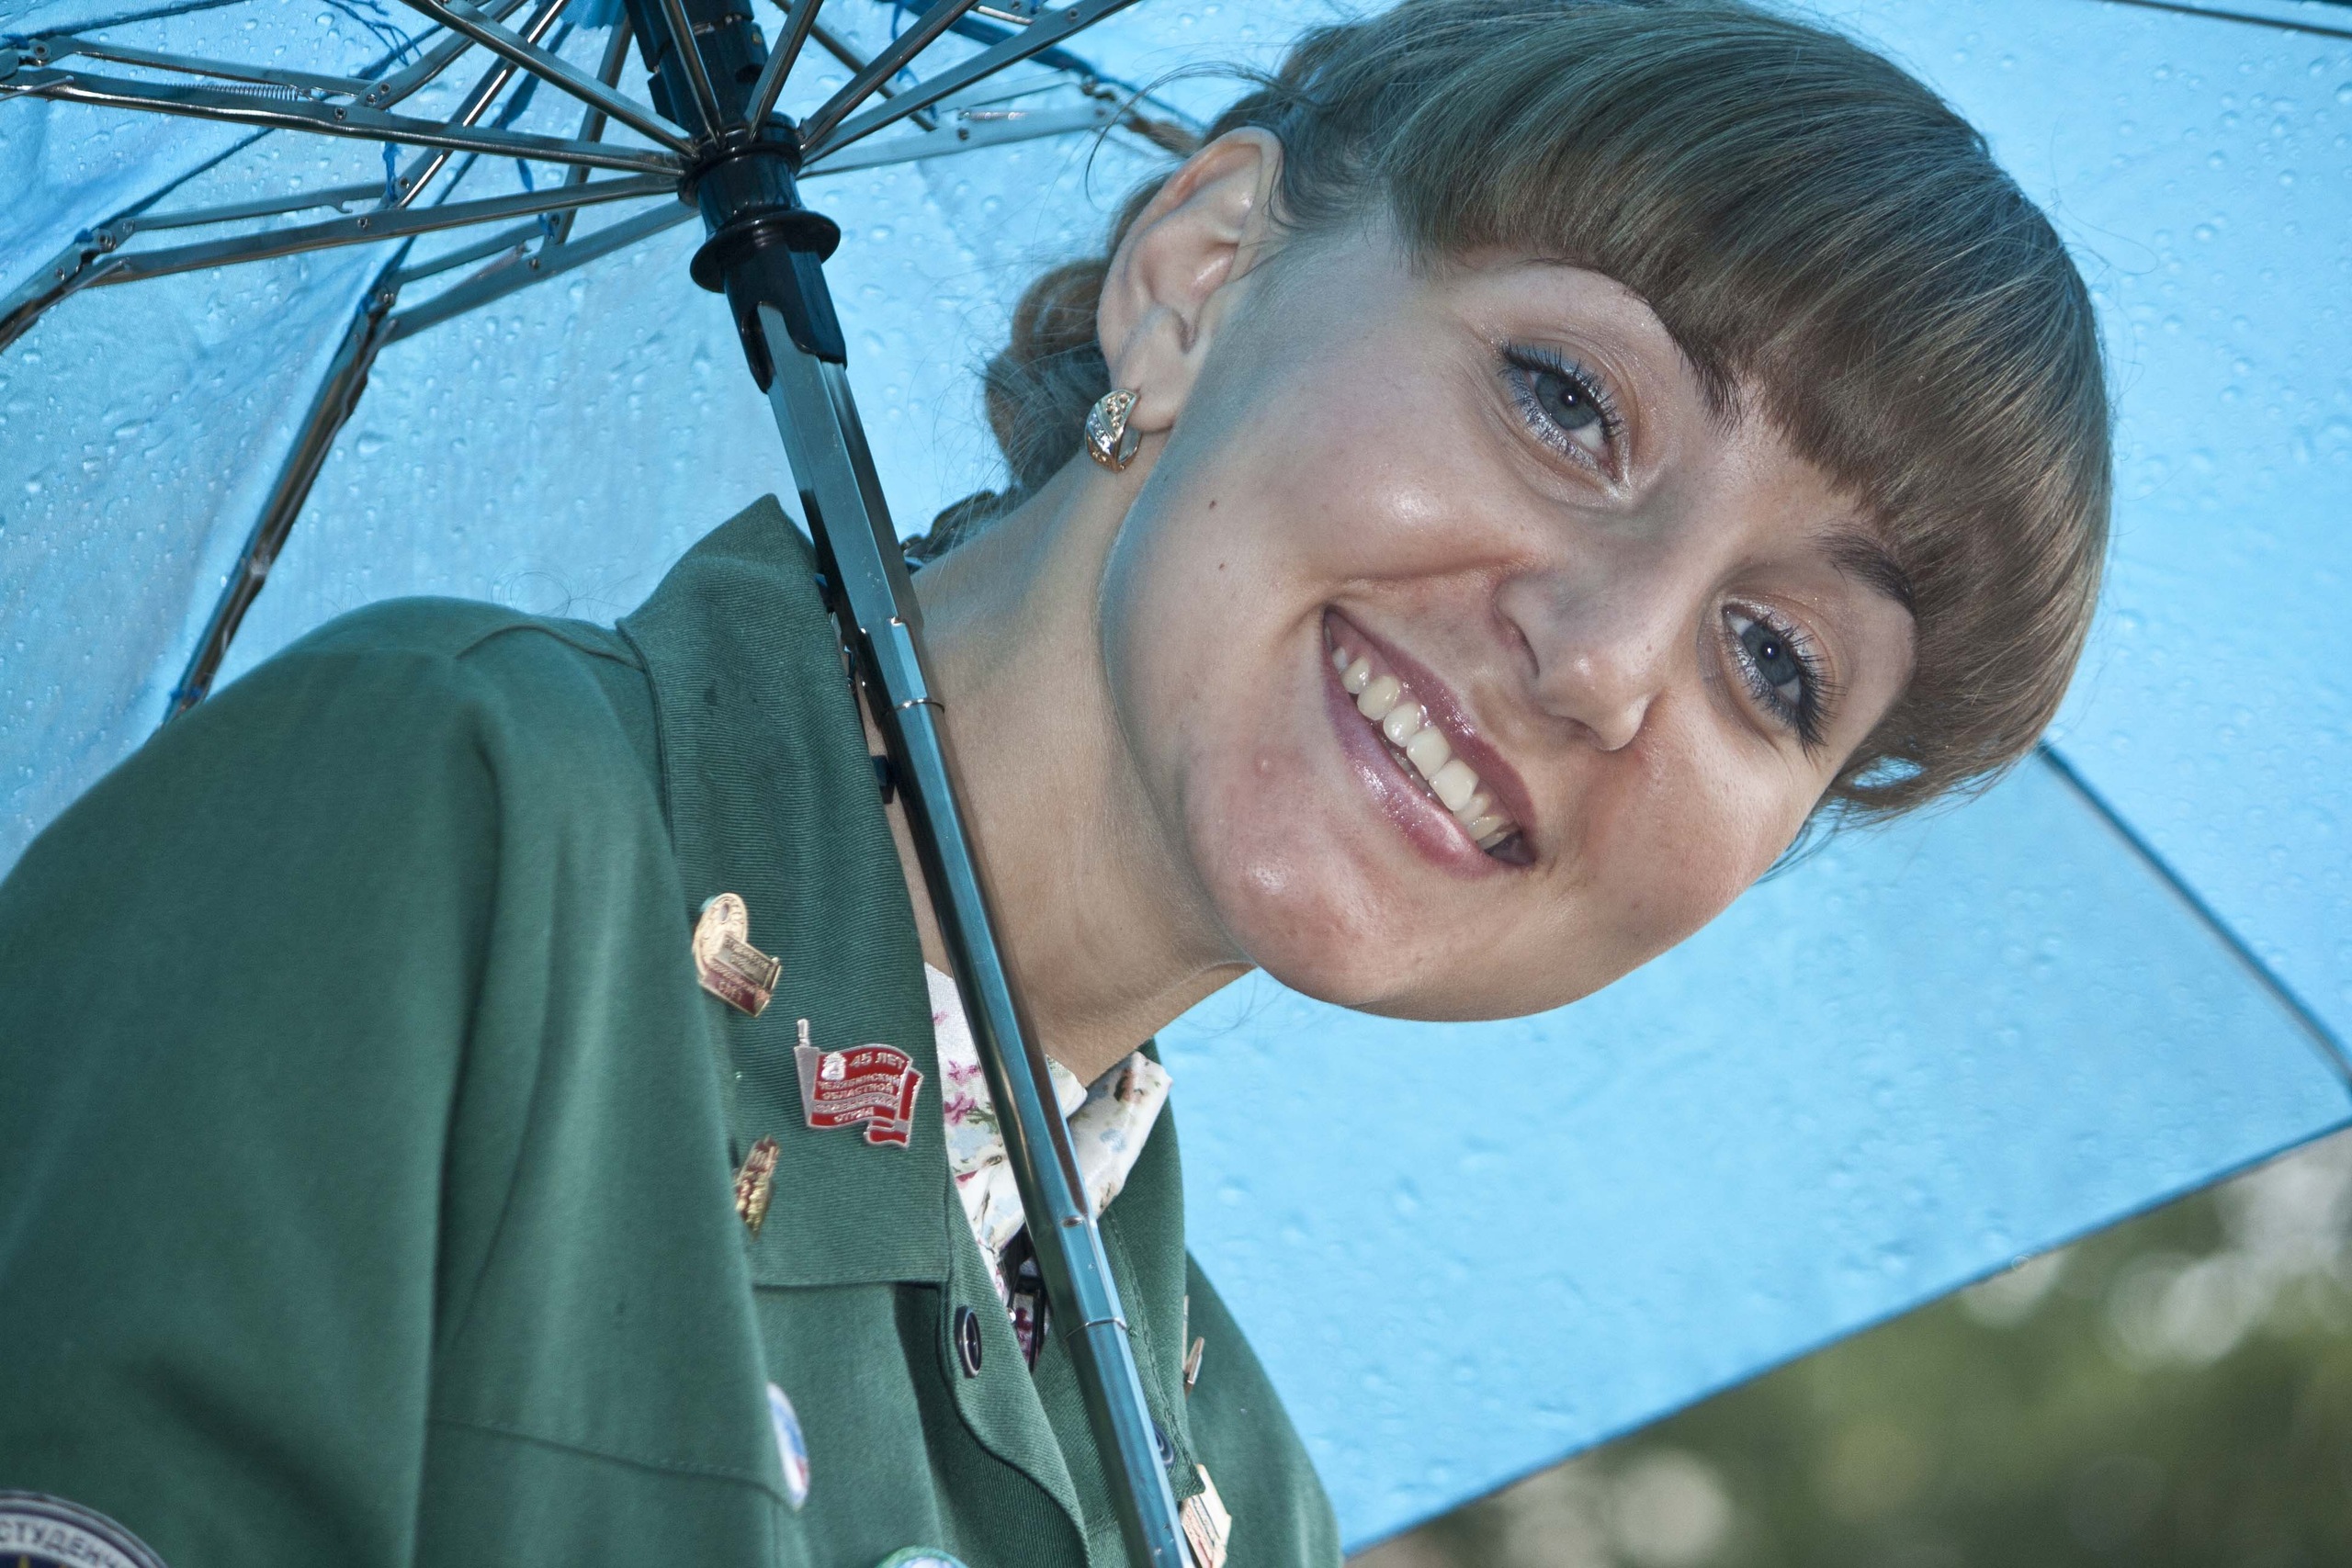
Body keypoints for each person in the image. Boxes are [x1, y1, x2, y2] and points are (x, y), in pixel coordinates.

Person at [0, 1, 2109, 1564]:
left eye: (1775, 662)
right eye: (1567, 398)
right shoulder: (449, 826)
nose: (1604, 655)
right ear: (1197, 283)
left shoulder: (1232, 1495)